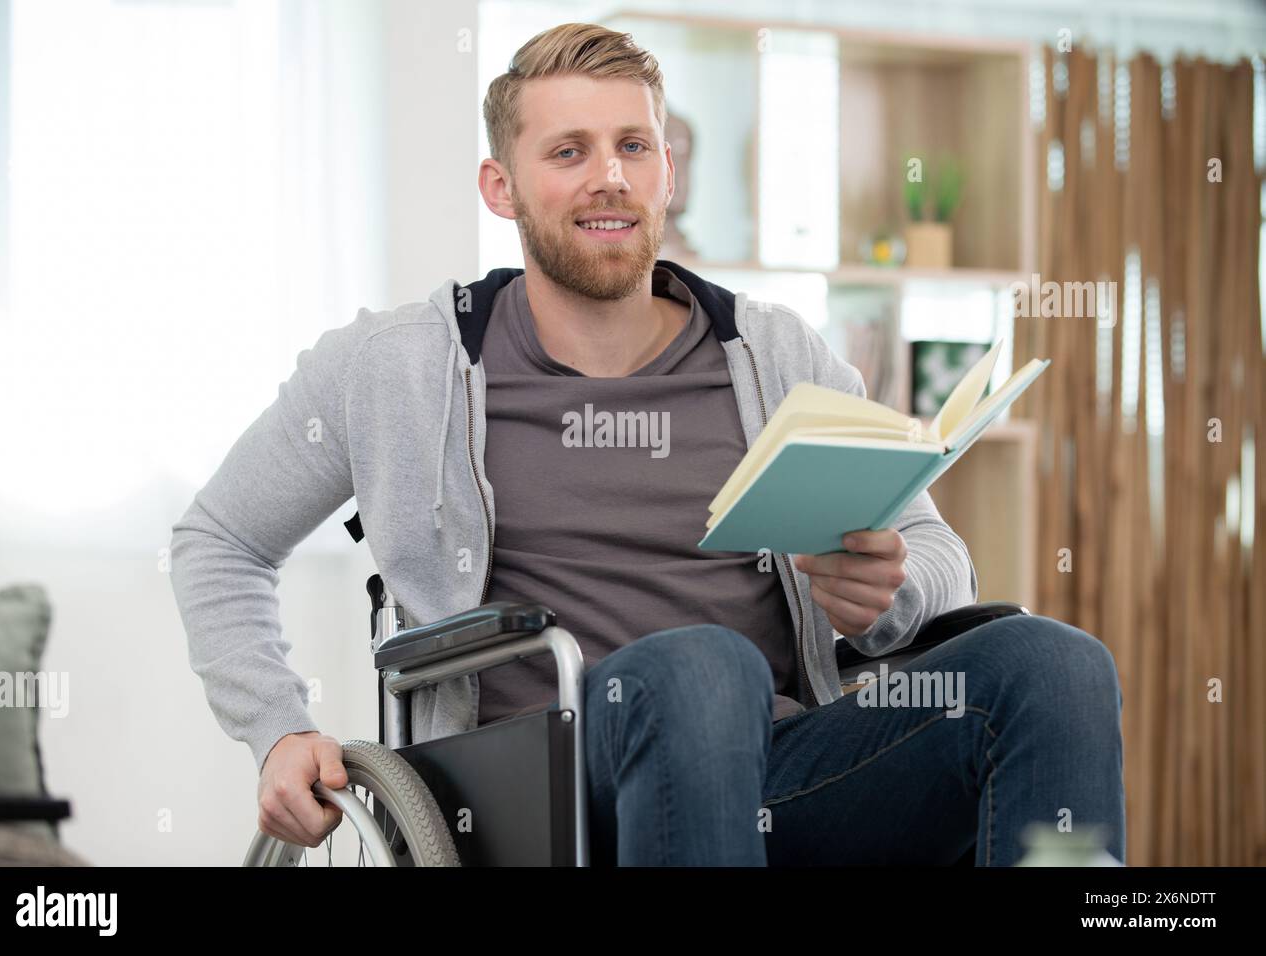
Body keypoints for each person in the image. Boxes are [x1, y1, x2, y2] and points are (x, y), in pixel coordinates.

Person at [169, 22, 1125, 866]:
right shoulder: (393, 366)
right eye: (569, 151)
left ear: (667, 169)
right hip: (535, 792)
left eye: (633, 145)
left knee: (1055, 665)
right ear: (501, 189)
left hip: (777, 771)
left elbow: (938, 555)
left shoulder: (777, 352)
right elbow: (218, 539)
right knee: (700, 667)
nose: (610, 176)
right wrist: (277, 727)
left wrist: (889, 595)